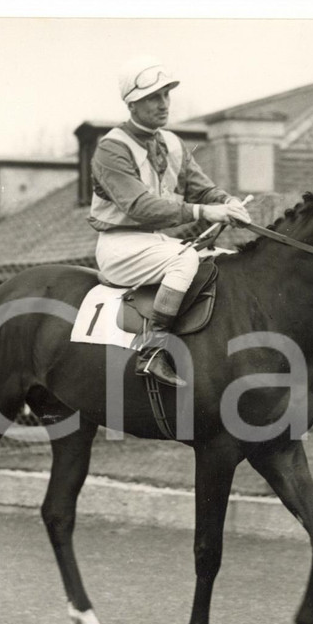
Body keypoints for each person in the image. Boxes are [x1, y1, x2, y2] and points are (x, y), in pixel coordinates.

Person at [88, 55, 252, 387]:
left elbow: (202, 188)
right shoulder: (111, 148)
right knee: (186, 260)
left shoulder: (173, 143)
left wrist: (227, 202)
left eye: (166, 95)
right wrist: (203, 212)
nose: (163, 104)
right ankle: (153, 350)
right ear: (132, 103)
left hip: (155, 242)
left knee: (226, 261)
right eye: (152, 97)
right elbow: (139, 206)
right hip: (119, 246)